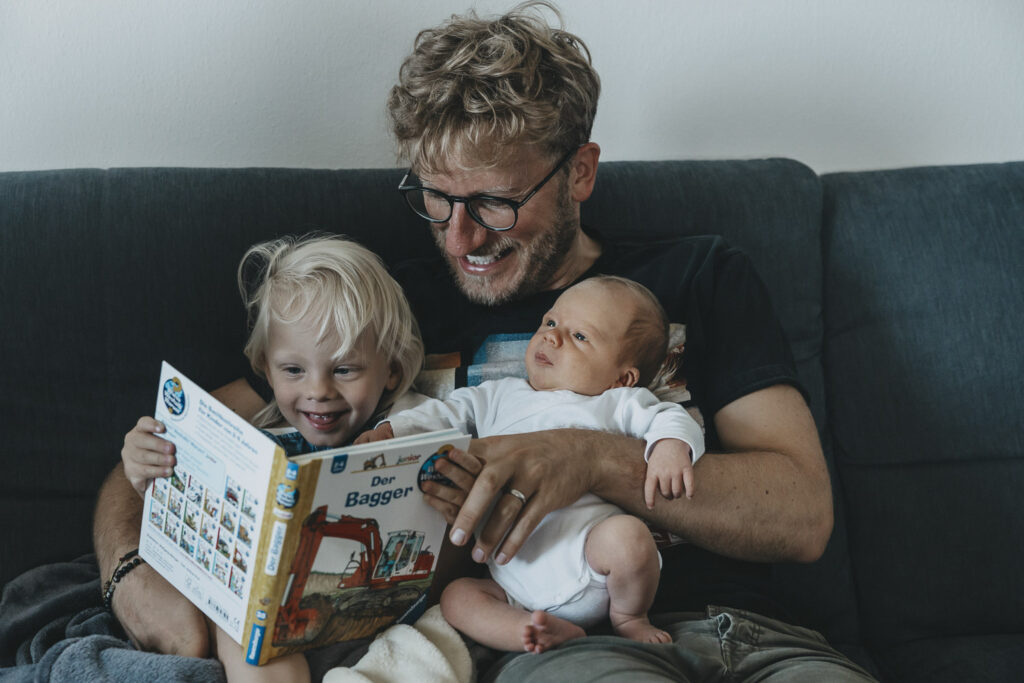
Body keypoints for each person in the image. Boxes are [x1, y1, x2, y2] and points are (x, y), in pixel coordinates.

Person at [101, 2, 875, 680]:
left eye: (495, 203)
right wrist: (129, 574)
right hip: (558, 642)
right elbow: (183, 437)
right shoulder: (385, 309)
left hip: (756, 634)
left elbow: (803, 515)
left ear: (580, 173)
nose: (460, 237)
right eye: (436, 199)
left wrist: (589, 459)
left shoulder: (700, 274)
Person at [120, 234, 423, 681]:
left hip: (380, 612)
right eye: (293, 370)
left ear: (392, 369)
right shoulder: (248, 441)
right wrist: (144, 466)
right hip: (264, 608)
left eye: (344, 369)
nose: (318, 390)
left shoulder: (414, 422)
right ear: (265, 366)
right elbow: (179, 499)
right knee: (247, 635)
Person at [358, 275, 704, 653]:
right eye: (550, 322)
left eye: (579, 336)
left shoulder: (617, 403)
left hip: (591, 558)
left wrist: (671, 446)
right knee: (458, 598)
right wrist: (395, 429)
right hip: (511, 581)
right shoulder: (500, 395)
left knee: (629, 539)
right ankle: (533, 631)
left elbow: (669, 416)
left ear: (622, 378)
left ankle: (630, 617)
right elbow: (447, 413)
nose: (551, 337)